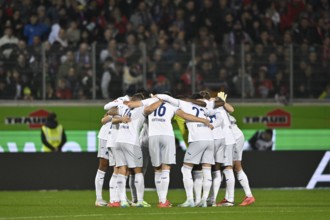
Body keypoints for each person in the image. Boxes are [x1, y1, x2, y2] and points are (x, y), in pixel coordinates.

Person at [229, 115, 256, 206]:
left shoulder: (214, 107)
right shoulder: (218, 106)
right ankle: (248, 196)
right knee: (235, 167)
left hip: (233, 136)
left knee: (228, 167)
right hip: (235, 135)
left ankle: (229, 199)